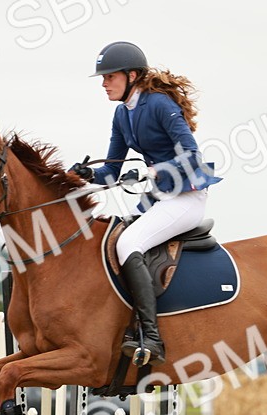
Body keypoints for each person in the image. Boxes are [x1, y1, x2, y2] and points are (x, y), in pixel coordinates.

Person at [70, 41, 221, 366]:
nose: (104, 83)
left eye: (110, 76)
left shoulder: (159, 104)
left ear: (132, 75)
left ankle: (151, 336)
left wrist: (152, 170)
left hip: (185, 196)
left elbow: (192, 155)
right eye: (103, 78)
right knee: (108, 241)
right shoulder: (122, 114)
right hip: (156, 198)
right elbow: (111, 171)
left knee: (128, 244)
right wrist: (86, 174)